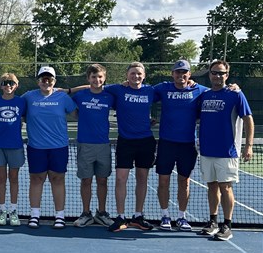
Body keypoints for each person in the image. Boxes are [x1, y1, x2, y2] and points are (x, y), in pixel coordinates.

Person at [197, 60, 254, 241]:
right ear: (210, 74)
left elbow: (248, 119)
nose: (218, 76)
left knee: (226, 187)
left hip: (227, 151)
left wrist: (249, 145)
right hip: (206, 150)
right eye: (215, 73)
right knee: (211, 186)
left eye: (222, 73)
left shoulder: (236, 94)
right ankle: (213, 222)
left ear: (227, 75)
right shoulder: (204, 96)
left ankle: (227, 225)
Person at [153, 59, 209, 232]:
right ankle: (165, 215)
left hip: (188, 145)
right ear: (173, 74)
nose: (181, 75)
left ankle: (181, 217)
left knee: (184, 182)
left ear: (189, 74)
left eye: (184, 72)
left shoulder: (199, 90)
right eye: (177, 72)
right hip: (166, 144)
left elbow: (219, 91)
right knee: (163, 181)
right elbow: (141, 93)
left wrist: (233, 87)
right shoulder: (162, 88)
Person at [22, 66, 76, 228]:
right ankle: (35, 214)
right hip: (36, 147)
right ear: (38, 81)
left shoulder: (63, 97)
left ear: (54, 81)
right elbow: (18, 111)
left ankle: (59, 215)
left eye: (50, 78)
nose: (46, 81)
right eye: (43, 78)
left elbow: (77, 114)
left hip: (59, 147)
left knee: (57, 179)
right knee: (36, 179)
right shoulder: (28, 97)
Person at [105, 62, 156, 232]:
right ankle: (120, 217)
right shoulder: (118, 90)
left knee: (142, 179)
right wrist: (68, 91)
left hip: (145, 141)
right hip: (125, 141)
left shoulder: (151, 91)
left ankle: (138, 216)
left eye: (139, 74)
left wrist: (192, 83)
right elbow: (94, 85)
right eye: (132, 73)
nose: (136, 76)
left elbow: (176, 90)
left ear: (144, 75)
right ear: (127, 75)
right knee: (121, 179)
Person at [71, 64, 115, 228]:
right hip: (85, 144)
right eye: (93, 77)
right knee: (86, 180)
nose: (97, 80)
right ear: (88, 79)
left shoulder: (110, 96)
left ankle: (101, 213)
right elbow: (71, 110)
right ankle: (86, 213)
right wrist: (69, 91)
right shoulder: (80, 95)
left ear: (104, 78)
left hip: (103, 145)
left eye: (100, 77)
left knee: (102, 180)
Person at [0, 73, 26, 226]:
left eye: (12, 83)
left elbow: (25, 118)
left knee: (13, 179)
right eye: (5, 83)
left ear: (16, 85)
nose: (8, 86)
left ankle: (13, 211)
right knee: (1, 179)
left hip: (16, 146)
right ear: (1, 85)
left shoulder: (22, 102)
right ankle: (2, 210)